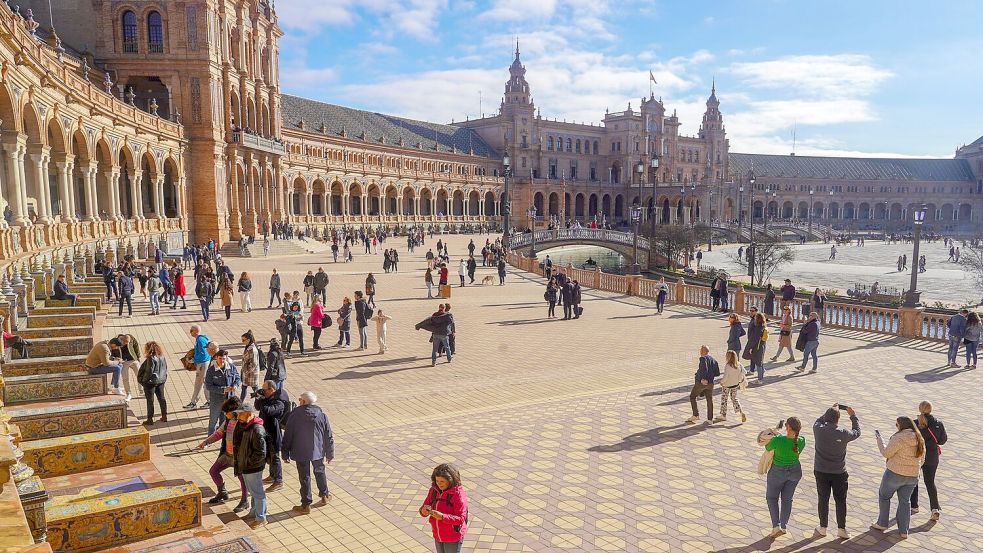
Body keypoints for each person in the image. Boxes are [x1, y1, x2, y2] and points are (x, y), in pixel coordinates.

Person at [872, 416, 926, 539]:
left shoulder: (899, 438)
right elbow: (922, 459)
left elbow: (886, 453)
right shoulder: (919, 438)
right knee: (905, 501)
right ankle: (903, 530)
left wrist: (879, 440)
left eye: (897, 425)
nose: (896, 427)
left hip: (894, 473)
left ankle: (882, 523)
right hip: (912, 476)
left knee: (884, 496)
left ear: (901, 426)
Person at [282, 391, 335, 514]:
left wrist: (285, 453)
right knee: (320, 472)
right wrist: (330, 453)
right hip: (318, 450)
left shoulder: (294, 415)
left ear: (303, 401)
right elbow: (328, 435)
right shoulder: (321, 415)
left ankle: (306, 504)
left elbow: (288, 435)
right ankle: (324, 495)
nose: (299, 401)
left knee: (304, 477)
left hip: (300, 451)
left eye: (300, 399)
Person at [813, 405, 861, 539]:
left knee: (823, 499)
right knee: (840, 500)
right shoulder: (844, 433)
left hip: (821, 471)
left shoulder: (818, 429)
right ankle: (841, 529)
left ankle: (823, 527)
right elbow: (857, 432)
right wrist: (853, 416)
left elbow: (819, 420)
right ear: (838, 419)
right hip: (839, 473)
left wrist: (830, 410)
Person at [196, 397, 249, 513]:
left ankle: (244, 500)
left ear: (234, 412)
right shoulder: (227, 421)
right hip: (227, 455)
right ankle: (222, 492)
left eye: (227, 412)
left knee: (242, 478)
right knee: (213, 471)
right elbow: (219, 433)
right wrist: (206, 442)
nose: (224, 414)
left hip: (239, 458)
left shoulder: (243, 423)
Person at [764, 417, 804, 537]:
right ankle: (783, 526)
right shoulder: (802, 440)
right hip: (795, 471)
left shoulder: (778, 440)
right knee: (787, 499)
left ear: (788, 428)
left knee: (771, 498)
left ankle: (776, 526)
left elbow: (767, 447)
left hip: (777, 471)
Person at [419, 463, 469, 553]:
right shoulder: (433, 490)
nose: (439, 484)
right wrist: (423, 511)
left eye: (442, 481)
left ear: (450, 480)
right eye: (437, 481)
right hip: (438, 534)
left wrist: (442, 517)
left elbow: (461, 518)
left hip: (453, 537)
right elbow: (424, 506)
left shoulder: (458, 495)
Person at [233, 405, 268, 529]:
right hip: (246, 466)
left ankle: (261, 518)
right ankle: (254, 513)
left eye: (240, 414)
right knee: (253, 492)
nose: (238, 417)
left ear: (248, 414)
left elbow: (261, 453)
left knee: (257, 493)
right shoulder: (245, 425)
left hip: (253, 467)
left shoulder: (257, 429)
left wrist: (247, 462)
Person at [911, 401, 946, 521]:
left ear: (919, 409)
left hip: (917, 455)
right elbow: (942, 441)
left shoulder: (915, 423)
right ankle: (934, 509)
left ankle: (914, 505)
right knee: (930, 482)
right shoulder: (938, 423)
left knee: (914, 479)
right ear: (931, 409)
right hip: (932, 457)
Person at [255, 380, 288, 492]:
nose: (263, 392)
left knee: (275, 457)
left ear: (271, 389)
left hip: (274, 433)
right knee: (269, 454)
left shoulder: (279, 402)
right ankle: (272, 476)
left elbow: (268, 411)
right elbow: (258, 408)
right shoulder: (267, 398)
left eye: (265, 390)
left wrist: (263, 400)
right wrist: (258, 398)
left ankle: (278, 481)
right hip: (265, 431)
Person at [205, 349, 241, 435]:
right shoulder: (211, 371)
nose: (222, 360)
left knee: (225, 420)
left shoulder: (231, 367)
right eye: (220, 358)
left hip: (229, 400)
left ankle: (223, 438)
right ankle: (209, 440)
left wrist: (236, 385)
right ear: (216, 358)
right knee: (213, 421)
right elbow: (208, 386)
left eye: (224, 358)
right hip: (216, 400)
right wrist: (223, 389)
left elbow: (238, 378)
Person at [137, 341, 168, 425]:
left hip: (151, 383)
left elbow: (149, 372)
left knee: (150, 401)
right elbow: (165, 367)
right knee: (162, 398)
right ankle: (164, 416)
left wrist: (144, 381)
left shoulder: (151, 358)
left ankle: (150, 419)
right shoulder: (162, 356)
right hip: (161, 380)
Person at [685, 346, 719, 425]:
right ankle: (710, 419)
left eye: (700, 350)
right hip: (711, 383)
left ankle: (695, 415)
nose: (700, 352)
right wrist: (710, 377)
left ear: (703, 351)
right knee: (709, 400)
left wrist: (702, 379)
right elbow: (717, 373)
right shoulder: (713, 360)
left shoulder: (703, 359)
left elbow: (704, 369)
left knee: (692, 396)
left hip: (702, 383)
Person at [715, 350, 747, 423]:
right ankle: (741, 412)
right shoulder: (739, 364)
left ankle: (723, 415)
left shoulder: (728, 366)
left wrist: (721, 382)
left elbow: (725, 377)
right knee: (734, 399)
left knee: (724, 400)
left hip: (727, 385)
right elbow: (745, 372)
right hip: (735, 385)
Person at [184, 326, 211, 409]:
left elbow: (203, 353)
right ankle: (207, 401)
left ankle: (194, 403)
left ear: (196, 331)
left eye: (191, 330)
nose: (190, 332)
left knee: (199, 383)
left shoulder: (200, 340)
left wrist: (193, 360)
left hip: (202, 364)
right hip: (203, 363)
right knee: (202, 383)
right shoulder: (201, 339)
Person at [115, 334, 141, 399]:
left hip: (133, 360)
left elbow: (136, 345)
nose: (126, 344)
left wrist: (138, 357)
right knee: (125, 379)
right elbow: (113, 352)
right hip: (124, 362)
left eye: (128, 343)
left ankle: (142, 392)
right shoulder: (116, 342)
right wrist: (117, 360)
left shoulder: (130, 338)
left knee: (140, 375)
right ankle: (128, 394)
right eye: (125, 343)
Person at [745, 312, 768, 382]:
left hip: (758, 347)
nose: (754, 318)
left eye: (755, 317)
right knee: (760, 361)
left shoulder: (758, 328)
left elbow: (755, 339)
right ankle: (761, 375)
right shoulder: (763, 325)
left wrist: (751, 348)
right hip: (762, 345)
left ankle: (760, 379)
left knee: (758, 363)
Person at [239, 331, 261, 401]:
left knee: (255, 389)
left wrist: (246, 371)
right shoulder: (248, 347)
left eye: (243, 340)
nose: (242, 342)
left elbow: (253, 364)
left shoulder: (252, 350)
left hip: (251, 374)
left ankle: (259, 402)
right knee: (244, 387)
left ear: (248, 340)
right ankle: (240, 402)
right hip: (247, 373)